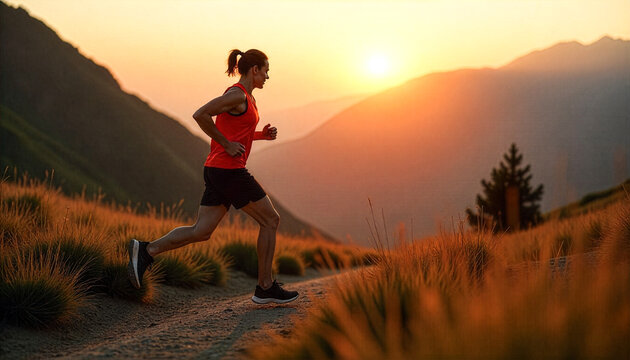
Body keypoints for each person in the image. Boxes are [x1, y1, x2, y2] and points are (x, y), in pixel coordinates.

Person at [127, 49, 298, 304]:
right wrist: (226, 144)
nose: (267, 76)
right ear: (254, 70)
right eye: (266, 71)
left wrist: (261, 134)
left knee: (202, 231)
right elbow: (200, 115)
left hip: (219, 170)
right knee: (271, 220)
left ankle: (146, 250)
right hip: (229, 171)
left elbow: (238, 131)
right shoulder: (236, 95)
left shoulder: (248, 98)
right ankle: (265, 286)